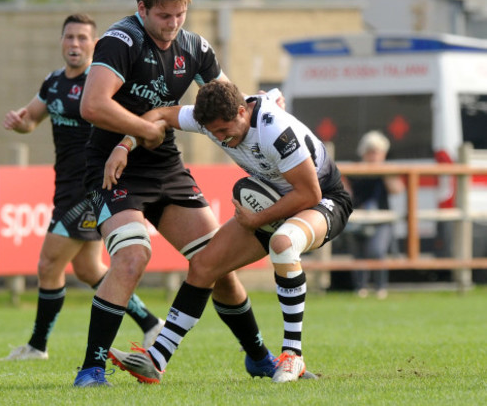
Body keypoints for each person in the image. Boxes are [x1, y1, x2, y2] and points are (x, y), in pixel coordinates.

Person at [73, 0, 279, 387]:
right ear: (142, 8)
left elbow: (229, 102)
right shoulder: (120, 40)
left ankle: (258, 357)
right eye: (164, 15)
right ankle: (92, 369)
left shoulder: (195, 48)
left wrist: (267, 114)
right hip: (112, 167)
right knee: (133, 256)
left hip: (164, 164)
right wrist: (141, 130)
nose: (172, 24)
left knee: (215, 263)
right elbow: (92, 105)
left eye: (180, 14)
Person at [104, 81, 353, 383]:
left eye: (225, 130)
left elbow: (309, 193)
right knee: (204, 264)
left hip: (324, 200)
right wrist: (124, 145)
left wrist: (256, 219)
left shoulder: (275, 130)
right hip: (272, 200)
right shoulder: (209, 120)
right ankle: (156, 359)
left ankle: (292, 355)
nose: (221, 138)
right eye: (214, 133)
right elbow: (159, 115)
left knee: (283, 242)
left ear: (241, 111)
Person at [0, 13, 163, 363]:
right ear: (61, 41)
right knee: (88, 270)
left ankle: (37, 346)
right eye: (69, 37)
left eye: (83, 39)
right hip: (65, 187)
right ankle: (150, 323)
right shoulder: (53, 82)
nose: (75, 44)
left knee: (47, 264)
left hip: (91, 187)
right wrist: (19, 122)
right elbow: (32, 119)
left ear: (94, 44)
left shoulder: (102, 84)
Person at [345, 130, 404, 299]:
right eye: (370, 151)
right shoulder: (354, 170)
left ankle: (380, 288)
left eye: (377, 152)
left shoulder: (387, 171)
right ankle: (360, 288)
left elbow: (397, 189)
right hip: (358, 218)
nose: (374, 155)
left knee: (377, 251)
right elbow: (346, 193)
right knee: (358, 255)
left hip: (382, 218)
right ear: (363, 152)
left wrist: (383, 171)